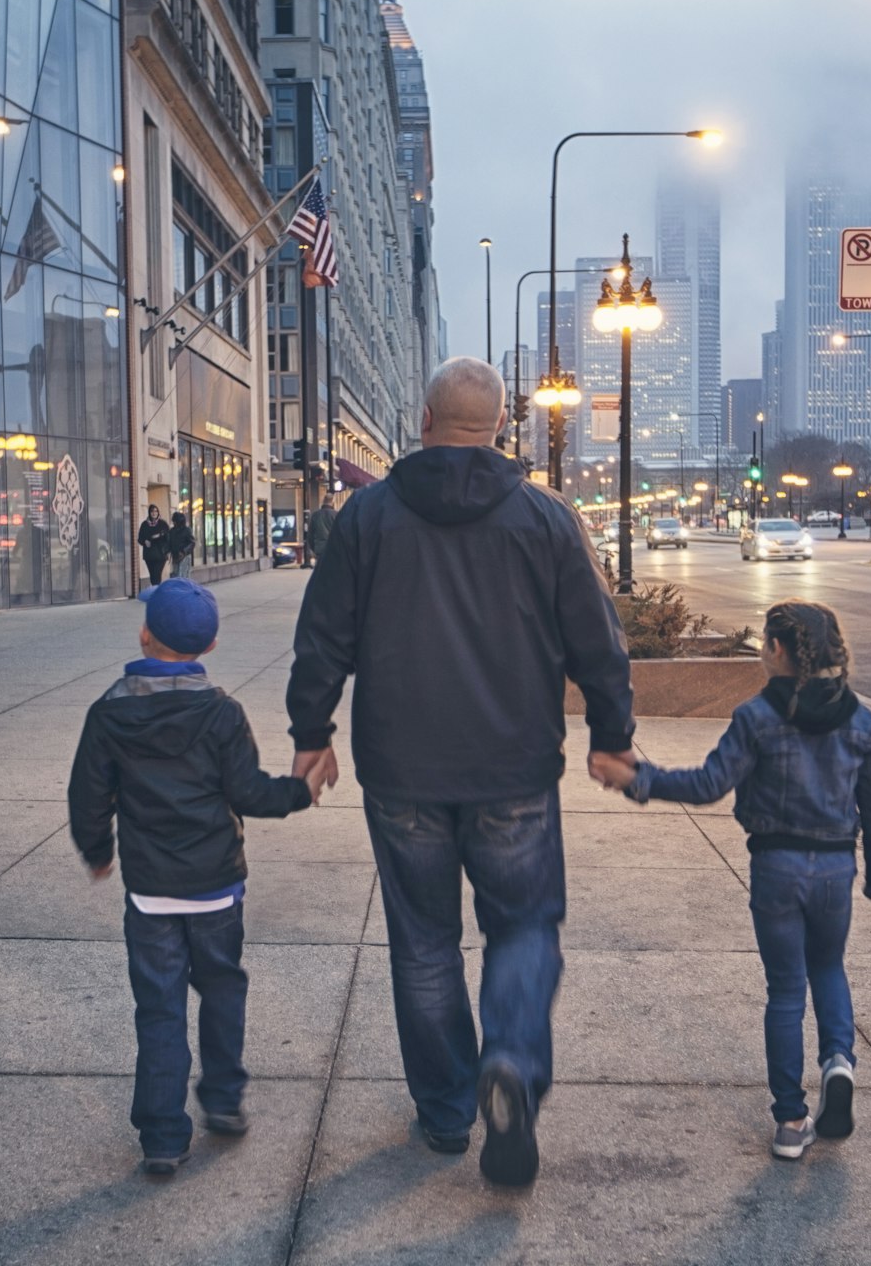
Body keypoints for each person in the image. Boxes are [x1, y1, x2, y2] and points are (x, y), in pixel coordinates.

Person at [286, 356, 634, 1187]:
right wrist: (612, 735)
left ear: (425, 421)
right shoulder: (545, 519)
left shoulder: (366, 517)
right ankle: (509, 1060)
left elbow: (322, 636)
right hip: (513, 768)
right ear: (503, 426)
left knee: (424, 944)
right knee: (522, 928)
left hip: (401, 770)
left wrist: (311, 733)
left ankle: (446, 1113)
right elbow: (599, 639)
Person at [593, 600, 871, 1160]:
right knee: (828, 967)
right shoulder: (861, 721)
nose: (761, 652)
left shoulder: (756, 717)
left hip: (776, 869)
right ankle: (838, 1063)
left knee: (786, 990)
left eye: (764, 644)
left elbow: (709, 784)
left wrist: (636, 778)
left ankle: (790, 1121)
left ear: (779, 651)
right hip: (835, 868)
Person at [68, 579, 330, 1177]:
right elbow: (248, 792)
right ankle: (223, 1098)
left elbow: (88, 793)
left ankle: (162, 1136)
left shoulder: (109, 712)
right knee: (222, 988)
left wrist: (98, 850)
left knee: (158, 1009)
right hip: (216, 887)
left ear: (143, 634)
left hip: (150, 893)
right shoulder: (220, 714)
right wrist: (300, 792)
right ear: (210, 645)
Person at [137, 505, 173, 586]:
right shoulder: (144, 524)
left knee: (157, 574)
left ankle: (156, 592)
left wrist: (160, 536)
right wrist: (144, 541)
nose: (154, 513)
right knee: (153, 576)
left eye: (156, 511)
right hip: (149, 555)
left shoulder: (163, 524)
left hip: (160, 554)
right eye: (152, 511)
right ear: (149, 512)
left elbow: (168, 538)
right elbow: (140, 538)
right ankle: (155, 590)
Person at [306, 498, 338, 567]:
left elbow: (310, 535)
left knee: (320, 571)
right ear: (332, 503)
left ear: (322, 503)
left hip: (320, 549)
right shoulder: (337, 515)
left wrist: (314, 548)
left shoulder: (315, 515)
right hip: (334, 548)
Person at [168, 511, 196, 580]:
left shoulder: (186, 530)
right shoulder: (172, 531)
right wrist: (167, 551)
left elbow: (192, 543)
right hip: (175, 556)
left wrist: (184, 551)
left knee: (183, 576)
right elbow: (169, 543)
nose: (173, 522)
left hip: (184, 556)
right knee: (176, 575)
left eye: (175, 521)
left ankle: (184, 590)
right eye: (173, 521)